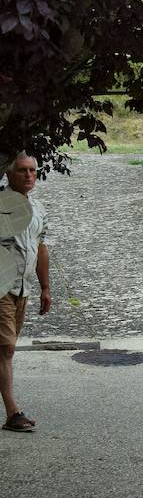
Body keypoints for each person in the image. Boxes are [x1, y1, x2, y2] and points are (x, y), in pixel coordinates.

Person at [1, 154, 51, 434]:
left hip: (23, 286)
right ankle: (13, 412)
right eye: (22, 170)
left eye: (32, 170)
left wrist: (45, 286)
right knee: (5, 348)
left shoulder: (39, 208)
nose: (29, 175)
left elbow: (41, 247)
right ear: (8, 174)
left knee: (5, 350)